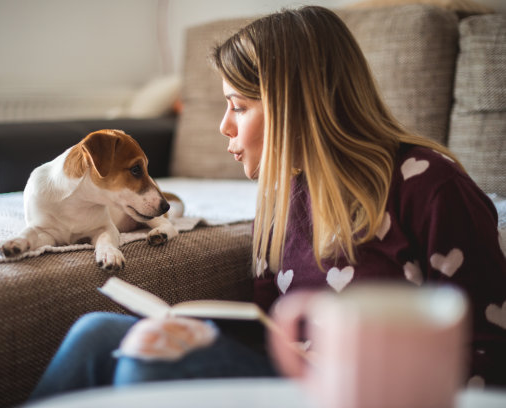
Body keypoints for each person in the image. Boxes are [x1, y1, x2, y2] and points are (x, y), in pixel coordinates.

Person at [29, 6, 506, 401]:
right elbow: (268, 329)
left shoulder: (430, 185)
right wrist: (199, 335)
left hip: (368, 394)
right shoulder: (282, 196)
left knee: (149, 371)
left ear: (297, 103)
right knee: (99, 334)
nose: (223, 126)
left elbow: (488, 349)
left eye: (238, 106)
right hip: (287, 381)